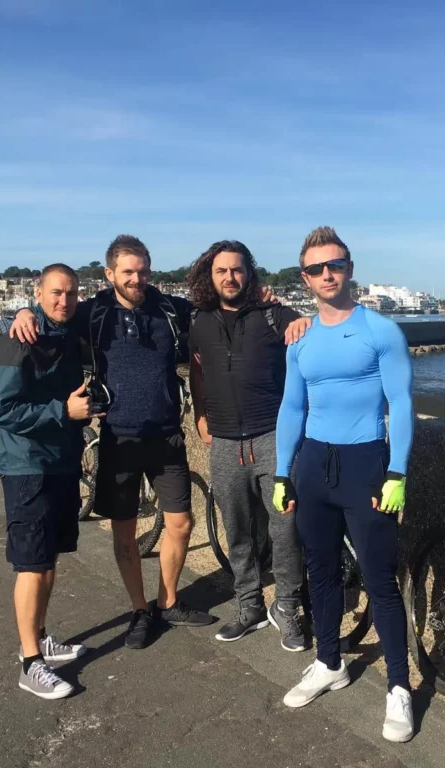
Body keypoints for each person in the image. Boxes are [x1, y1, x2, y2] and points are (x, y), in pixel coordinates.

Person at [10, 235, 215, 651]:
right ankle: (141, 609)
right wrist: (23, 312)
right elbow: (55, 313)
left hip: (166, 435)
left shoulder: (170, 309)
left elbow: (219, 314)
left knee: (181, 524)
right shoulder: (94, 312)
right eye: (128, 272)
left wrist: (264, 299)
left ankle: (169, 601)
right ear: (110, 274)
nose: (136, 279)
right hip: (118, 437)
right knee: (124, 533)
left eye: (142, 271)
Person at [273, 226, 415, 742]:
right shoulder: (299, 338)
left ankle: (399, 686)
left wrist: (397, 471)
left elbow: (400, 404)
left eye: (334, 265)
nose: (326, 274)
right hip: (312, 465)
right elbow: (292, 407)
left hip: (365, 465)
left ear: (349, 268)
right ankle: (328, 661)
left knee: (379, 580)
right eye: (315, 268)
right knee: (321, 572)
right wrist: (283, 473)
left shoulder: (380, 331)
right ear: (305, 277)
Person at [186, 240, 310, 649]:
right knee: (237, 531)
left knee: (285, 527)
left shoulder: (272, 313)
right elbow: (197, 372)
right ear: (211, 274)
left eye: (237, 270)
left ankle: (287, 607)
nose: (229, 277)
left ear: (249, 273)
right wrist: (200, 414)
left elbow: (306, 328)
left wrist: (299, 320)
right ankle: (250, 605)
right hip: (223, 442)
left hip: (273, 438)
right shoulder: (199, 320)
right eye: (221, 270)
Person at [0, 263, 91, 700]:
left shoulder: (68, 333)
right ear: (38, 291)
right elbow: (3, 413)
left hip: (63, 462)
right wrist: (62, 413)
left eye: (70, 293)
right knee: (31, 564)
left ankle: (42, 637)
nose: (63, 300)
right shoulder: (17, 341)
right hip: (26, 466)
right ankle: (30, 662)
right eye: (54, 293)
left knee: (48, 560)